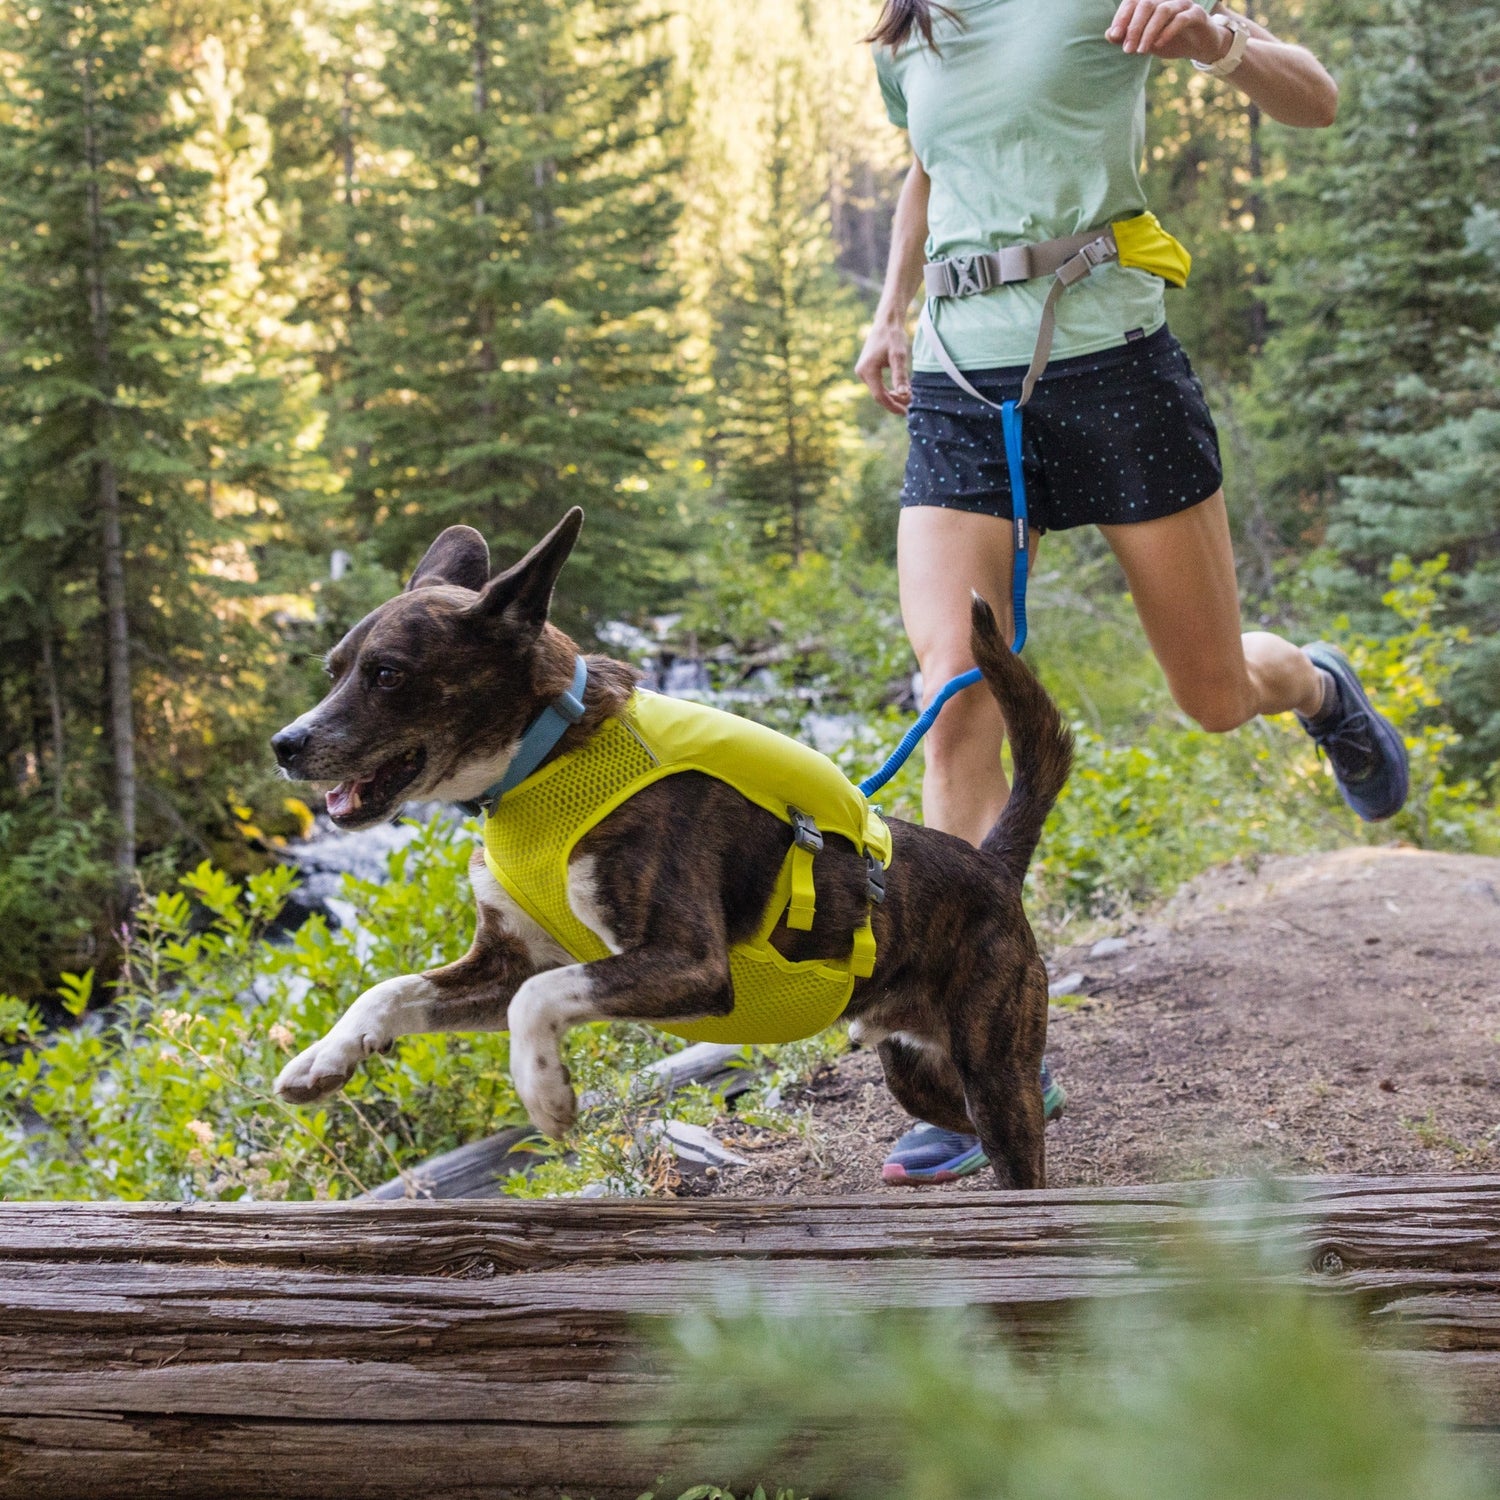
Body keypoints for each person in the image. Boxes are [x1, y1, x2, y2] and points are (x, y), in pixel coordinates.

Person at [857, 0, 1409, 1186]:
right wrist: (889, 308)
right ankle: (979, 1054)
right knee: (958, 699)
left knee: (1212, 692)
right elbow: (925, 169)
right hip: (961, 381)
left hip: (1109, 363)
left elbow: (1314, 95)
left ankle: (1315, 686)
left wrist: (1219, 41)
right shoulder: (913, 20)